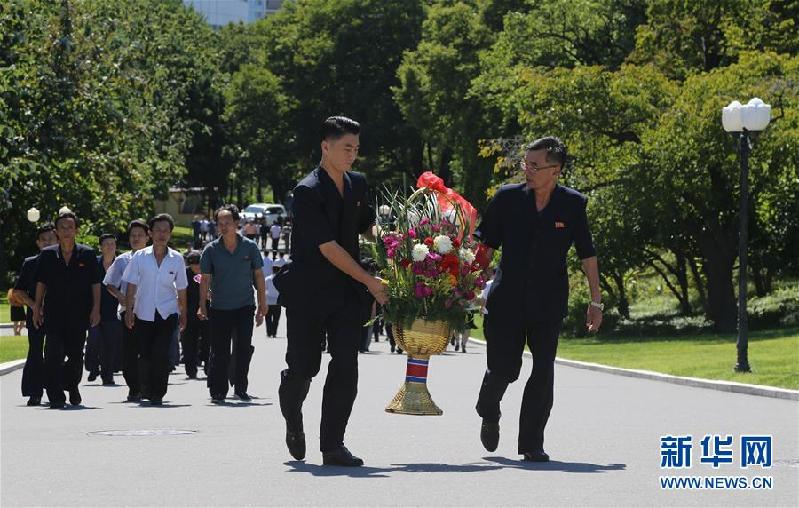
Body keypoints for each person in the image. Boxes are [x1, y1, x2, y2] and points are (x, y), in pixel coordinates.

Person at [473, 137, 603, 462]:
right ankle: (489, 409)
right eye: (525, 164)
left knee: (543, 369)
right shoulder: (507, 199)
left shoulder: (573, 205)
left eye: (535, 165)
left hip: (548, 301)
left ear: (555, 170)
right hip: (506, 300)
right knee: (503, 369)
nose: (527, 171)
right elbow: (485, 247)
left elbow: (587, 254)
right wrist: (463, 283)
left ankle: (532, 443)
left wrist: (596, 300)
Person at [274, 116, 387, 467]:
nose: (352, 154)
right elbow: (329, 248)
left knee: (346, 366)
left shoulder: (356, 183)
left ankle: (333, 446)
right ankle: (293, 416)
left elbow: (366, 226)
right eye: (345, 148)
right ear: (326, 147)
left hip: (344, 295)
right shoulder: (307, 191)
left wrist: (399, 243)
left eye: (356, 148)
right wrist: (370, 281)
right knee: (303, 368)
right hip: (309, 292)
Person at [32, 211, 102, 409]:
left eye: (70, 227)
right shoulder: (47, 255)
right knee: (53, 353)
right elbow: (41, 283)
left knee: (75, 354)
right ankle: (55, 395)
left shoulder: (87, 254)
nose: (66, 231)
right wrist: (37, 307)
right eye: (62, 227)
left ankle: (72, 386)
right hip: (54, 313)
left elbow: (95, 284)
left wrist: (96, 308)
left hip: (79, 314)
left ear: (76, 230)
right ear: (56, 231)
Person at [198, 204, 267, 403]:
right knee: (220, 351)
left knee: (243, 349)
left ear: (237, 223)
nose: (224, 226)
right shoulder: (211, 249)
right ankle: (218, 391)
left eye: (228, 222)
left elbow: (258, 275)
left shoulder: (249, 247)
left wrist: (262, 303)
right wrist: (202, 304)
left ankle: (240, 388)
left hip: (245, 305)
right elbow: (205, 279)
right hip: (219, 307)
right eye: (220, 223)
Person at [122, 214, 188, 405]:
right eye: (158, 230)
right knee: (145, 354)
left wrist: (184, 313)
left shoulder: (177, 259)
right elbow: (131, 285)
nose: (162, 234)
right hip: (143, 313)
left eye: (166, 230)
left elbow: (182, 288)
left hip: (167, 313)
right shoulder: (140, 257)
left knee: (161, 353)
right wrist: (128, 311)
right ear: (150, 233)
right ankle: (146, 388)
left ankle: (158, 392)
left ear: (170, 234)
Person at [12, 222, 57, 406]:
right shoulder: (30, 264)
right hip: (35, 315)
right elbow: (18, 291)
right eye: (44, 240)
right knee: (36, 351)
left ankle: (57, 388)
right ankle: (35, 391)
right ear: (38, 243)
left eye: (51, 239)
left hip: (59, 315)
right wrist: (34, 306)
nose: (47, 243)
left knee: (56, 351)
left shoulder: (64, 261)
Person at [104, 219, 150, 402]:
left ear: (148, 237)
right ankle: (134, 387)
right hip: (128, 311)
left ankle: (147, 385)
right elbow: (109, 283)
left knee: (149, 350)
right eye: (133, 236)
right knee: (130, 352)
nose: (136, 238)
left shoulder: (156, 257)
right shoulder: (122, 260)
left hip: (150, 311)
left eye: (140, 235)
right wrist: (122, 297)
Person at [85, 233, 122, 385]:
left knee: (110, 344)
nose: (110, 246)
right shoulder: (94, 263)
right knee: (93, 340)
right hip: (94, 308)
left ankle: (108, 375)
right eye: (106, 244)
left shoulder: (120, 265)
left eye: (112, 244)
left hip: (113, 310)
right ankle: (93, 367)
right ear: (100, 247)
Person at [181, 250, 204, 379]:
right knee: (188, 343)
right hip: (188, 313)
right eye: (193, 264)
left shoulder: (207, 274)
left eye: (198, 264)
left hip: (206, 312)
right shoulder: (183, 275)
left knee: (207, 341)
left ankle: (207, 365)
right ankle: (191, 370)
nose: (196, 267)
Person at [264, 258, 283, 338]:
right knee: (276, 319)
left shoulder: (267, 279)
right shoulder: (281, 279)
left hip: (268, 301)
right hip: (277, 302)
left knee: (268, 318)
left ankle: (269, 332)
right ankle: (274, 332)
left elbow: (264, 289)